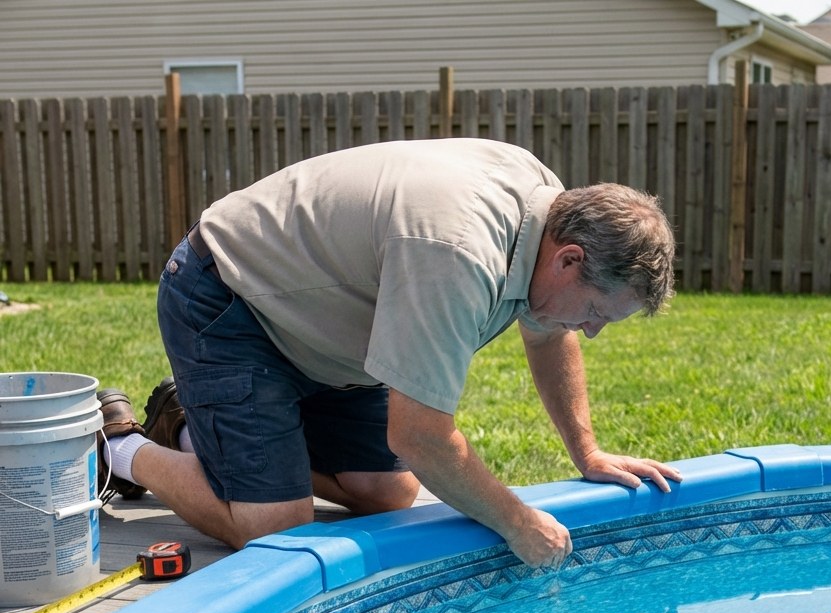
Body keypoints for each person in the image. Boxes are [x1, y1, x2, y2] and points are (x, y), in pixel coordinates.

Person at [97, 137, 681, 570]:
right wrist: (519, 522)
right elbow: (421, 436)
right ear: (570, 259)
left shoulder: (547, 212)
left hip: (330, 329)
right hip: (229, 297)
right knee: (277, 531)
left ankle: (197, 429)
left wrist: (588, 452)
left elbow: (550, 331)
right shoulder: (457, 254)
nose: (593, 329)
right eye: (598, 311)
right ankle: (121, 446)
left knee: (389, 494)